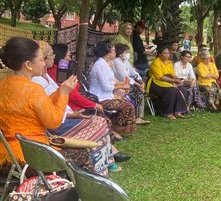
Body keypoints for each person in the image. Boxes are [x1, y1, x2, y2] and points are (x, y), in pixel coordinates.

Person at [32, 42, 119, 175]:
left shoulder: (47, 76)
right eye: (49, 54)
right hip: (56, 126)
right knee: (100, 123)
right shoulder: (37, 82)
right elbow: (50, 115)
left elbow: (55, 102)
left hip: (63, 117)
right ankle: (101, 168)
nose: (53, 56)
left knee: (99, 122)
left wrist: (72, 114)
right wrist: (67, 97)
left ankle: (104, 162)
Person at [0, 37, 77, 172]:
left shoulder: (3, 85)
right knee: (82, 153)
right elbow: (54, 122)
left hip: (6, 156)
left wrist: (60, 91)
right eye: (41, 60)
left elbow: (39, 104)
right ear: (28, 64)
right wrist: (64, 94)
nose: (43, 64)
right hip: (30, 159)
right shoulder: (34, 89)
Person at [89, 40, 137, 134]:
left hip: (107, 95)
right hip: (101, 98)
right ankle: (118, 129)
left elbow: (110, 82)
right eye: (113, 51)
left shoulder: (104, 64)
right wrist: (120, 87)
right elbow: (106, 87)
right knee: (128, 106)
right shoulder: (100, 65)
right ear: (107, 54)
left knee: (127, 101)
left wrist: (122, 85)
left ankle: (116, 127)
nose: (115, 52)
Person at [112, 43, 151, 125]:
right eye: (126, 52)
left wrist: (141, 81)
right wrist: (137, 84)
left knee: (140, 91)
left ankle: (139, 116)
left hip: (128, 84)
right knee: (137, 93)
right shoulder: (116, 62)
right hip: (120, 85)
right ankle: (135, 117)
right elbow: (124, 77)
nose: (127, 54)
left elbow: (134, 72)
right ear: (120, 53)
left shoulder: (125, 61)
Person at [147, 46, 187, 119]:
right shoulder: (156, 62)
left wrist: (178, 79)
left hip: (169, 81)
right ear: (159, 54)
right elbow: (160, 77)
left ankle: (178, 111)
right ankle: (168, 113)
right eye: (165, 53)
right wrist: (174, 81)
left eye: (168, 53)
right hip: (156, 83)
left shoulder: (169, 63)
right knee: (171, 90)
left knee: (182, 89)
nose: (167, 55)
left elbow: (172, 74)